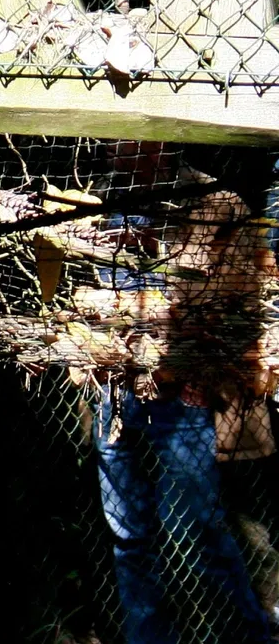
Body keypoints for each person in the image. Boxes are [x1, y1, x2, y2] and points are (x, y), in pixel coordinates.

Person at [88, 144, 276, 644]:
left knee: (196, 531)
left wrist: (185, 333)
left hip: (185, 396)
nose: (117, 150)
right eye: (113, 142)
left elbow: (243, 294)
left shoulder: (217, 202)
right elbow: (77, 294)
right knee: (128, 536)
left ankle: (250, 636)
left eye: (130, 141)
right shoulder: (94, 202)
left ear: (160, 142)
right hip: (115, 394)